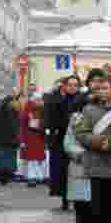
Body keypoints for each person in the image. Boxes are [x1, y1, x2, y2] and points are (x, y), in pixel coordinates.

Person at [74, 74, 111, 223]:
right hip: (94, 161)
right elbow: (81, 132)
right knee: (94, 202)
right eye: (99, 88)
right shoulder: (88, 109)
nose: (102, 92)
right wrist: (94, 141)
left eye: (106, 88)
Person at [46, 75, 83, 210]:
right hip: (61, 139)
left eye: (75, 85)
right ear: (65, 86)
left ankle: (77, 198)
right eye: (70, 84)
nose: (72, 87)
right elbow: (51, 117)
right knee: (62, 170)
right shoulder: (58, 100)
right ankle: (64, 199)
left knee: (77, 171)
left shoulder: (82, 101)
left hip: (78, 140)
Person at [0, 92, 22, 184]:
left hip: (2, 138)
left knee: (3, 158)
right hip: (9, 139)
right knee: (8, 158)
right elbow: (15, 126)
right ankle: (6, 175)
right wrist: (17, 137)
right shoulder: (13, 111)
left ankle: (3, 176)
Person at [20, 91, 48, 187]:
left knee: (39, 159)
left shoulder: (42, 109)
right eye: (37, 99)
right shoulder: (29, 110)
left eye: (40, 99)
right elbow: (25, 124)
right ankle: (32, 177)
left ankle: (38, 176)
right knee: (32, 160)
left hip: (39, 137)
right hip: (31, 137)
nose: (39, 101)